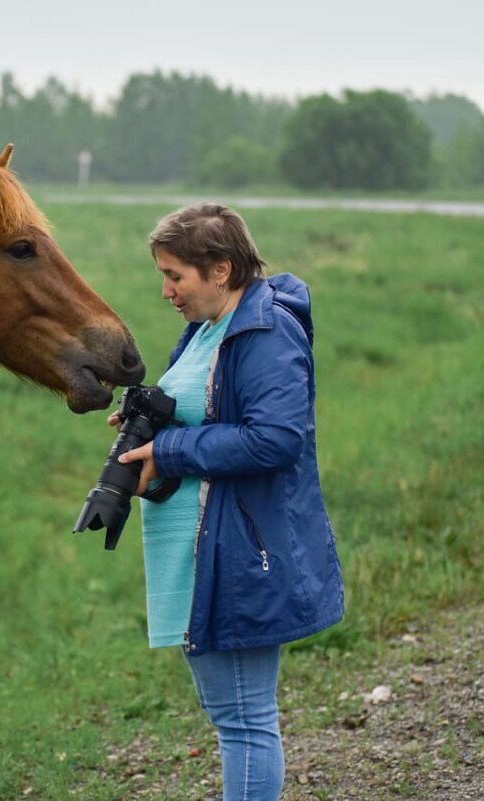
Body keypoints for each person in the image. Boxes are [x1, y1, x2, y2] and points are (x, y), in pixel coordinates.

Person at [114, 203, 344, 801]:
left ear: (220, 269)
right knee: (234, 719)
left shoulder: (265, 331)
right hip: (206, 548)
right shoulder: (210, 327)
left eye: (175, 276)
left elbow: (277, 438)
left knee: (244, 721)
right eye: (162, 276)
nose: (165, 291)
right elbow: (209, 419)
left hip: (242, 551)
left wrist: (172, 452)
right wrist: (149, 438)